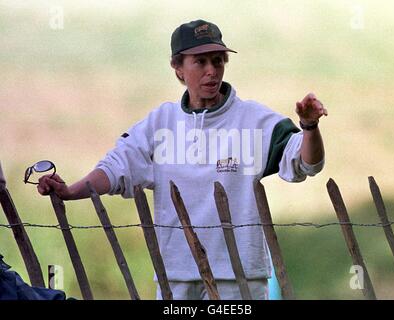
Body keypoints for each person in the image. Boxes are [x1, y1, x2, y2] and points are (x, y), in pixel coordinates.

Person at [37, 19, 327, 300]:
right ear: (178, 68)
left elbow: (306, 162)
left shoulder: (255, 121)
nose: (212, 71)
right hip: (176, 275)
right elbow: (115, 169)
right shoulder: (160, 123)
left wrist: (310, 127)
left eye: (218, 60)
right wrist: (70, 191)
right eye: (200, 62)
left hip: (239, 277)